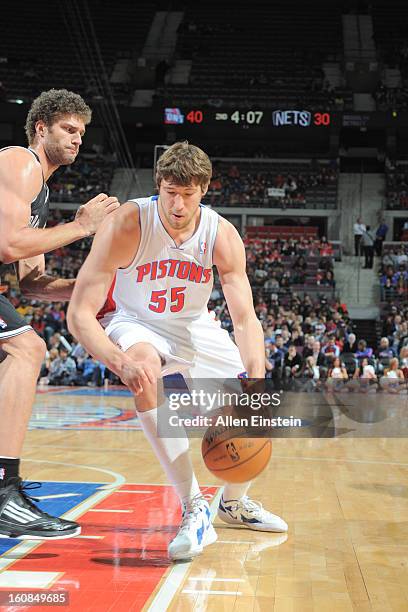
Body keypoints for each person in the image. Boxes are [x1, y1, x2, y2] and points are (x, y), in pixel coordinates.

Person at [67, 141, 288, 562]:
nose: (178, 203)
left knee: (258, 407)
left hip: (195, 326)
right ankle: (193, 508)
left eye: (187, 194)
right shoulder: (129, 222)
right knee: (146, 371)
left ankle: (232, 503)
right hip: (137, 322)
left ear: (203, 189)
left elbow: (244, 319)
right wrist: (120, 360)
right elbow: (80, 313)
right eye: (170, 191)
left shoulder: (221, 234)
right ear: (158, 185)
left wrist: (255, 376)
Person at [0, 89, 119, 539]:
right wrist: (82, 227)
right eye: (69, 129)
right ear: (40, 128)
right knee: (26, 349)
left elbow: (31, 282)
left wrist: (93, 287)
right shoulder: (19, 162)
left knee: (22, 352)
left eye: (82, 133)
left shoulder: (41, 190)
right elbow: (8, 245)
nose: (77, 140)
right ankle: (4, 493)